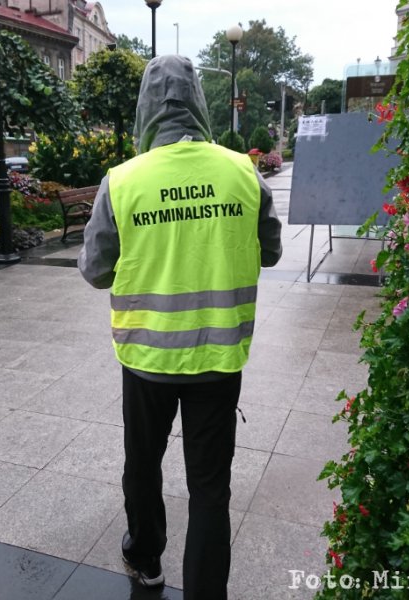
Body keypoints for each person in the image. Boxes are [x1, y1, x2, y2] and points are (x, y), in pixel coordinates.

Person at [78, 54, 282, 600]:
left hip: (146, 360)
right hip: (218, 359)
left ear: (145, 106)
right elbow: (271, 253)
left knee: (143, 464)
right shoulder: (243, 172)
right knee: (211, 489)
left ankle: (146, 557)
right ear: (199, 101)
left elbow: (95, 272)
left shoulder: (122, 182)